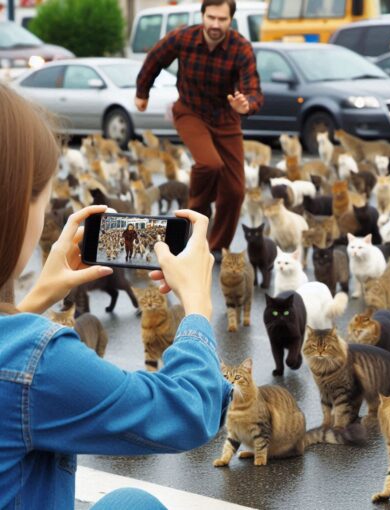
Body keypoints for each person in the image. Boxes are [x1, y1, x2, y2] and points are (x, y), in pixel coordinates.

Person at [0, 84, 231, 509]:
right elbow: (186, 412)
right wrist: (197, 306)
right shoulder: (38, 361)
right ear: (15, 210)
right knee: (134, 504)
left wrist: (33, 301)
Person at [135, 0, 263, 262]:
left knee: (235, 191)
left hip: (226, 118)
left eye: (222, 20)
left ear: (231, 20)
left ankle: (215, 246)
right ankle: (195, 212)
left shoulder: (241, 48)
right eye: (211, 18)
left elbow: (253, 89)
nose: (216, 25)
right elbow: (154, 59)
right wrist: (142, 92)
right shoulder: (183, 37)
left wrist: (246, 104)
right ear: (203, 16)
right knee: (209, 164)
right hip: (190, 111)